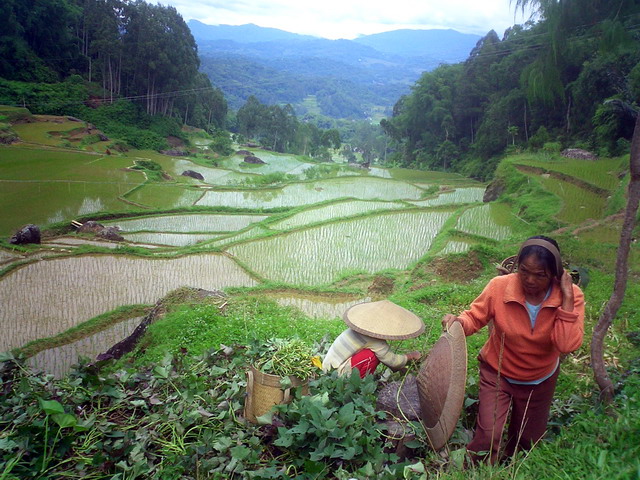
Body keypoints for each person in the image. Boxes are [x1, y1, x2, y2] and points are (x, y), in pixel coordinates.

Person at [442, 235, 584, 464]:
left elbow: (566, 345)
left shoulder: (570, 296)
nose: (529, 280)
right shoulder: (499, 287)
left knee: (527, 442)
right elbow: (474, 317)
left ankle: (510, 467)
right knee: (487, 436)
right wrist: (457, 323)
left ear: (555, 274)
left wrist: (567, 298)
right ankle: (475, 469)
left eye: (540, 275)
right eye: (524, 271)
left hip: (540, 380)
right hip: (498, 373)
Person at [322, 299, 423, 378]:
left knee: (375, 354)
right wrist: (411, 356)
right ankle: (356, 384)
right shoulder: (375, 340)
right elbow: (392, 361)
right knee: (371, 356)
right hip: (335, 374)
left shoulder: (359, 329)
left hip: (328, 367)